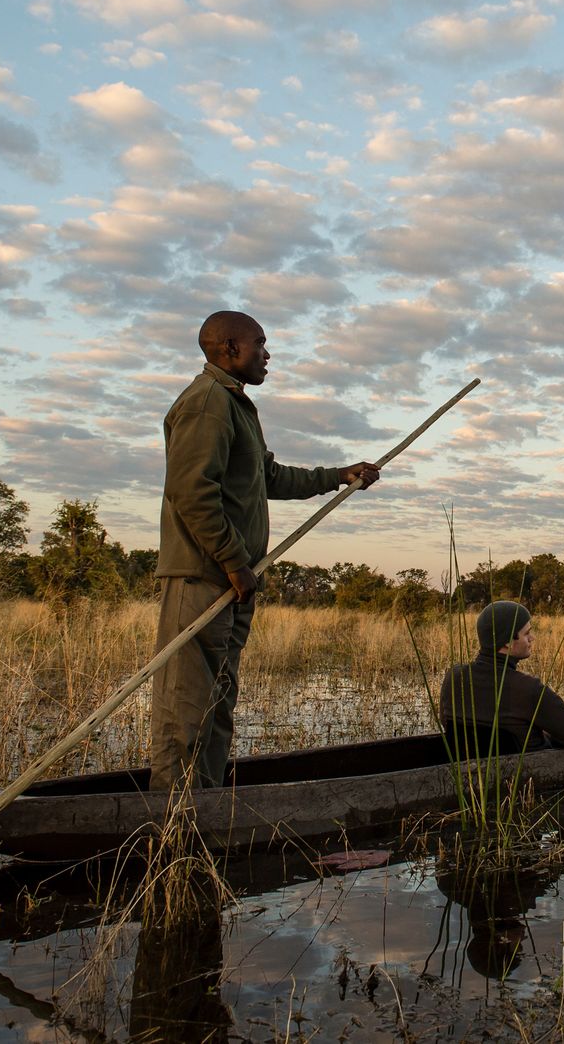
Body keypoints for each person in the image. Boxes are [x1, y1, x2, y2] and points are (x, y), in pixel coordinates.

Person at [151, 310, 380, 792]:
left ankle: (203, 810)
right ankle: (170, 825)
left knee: (216, 705)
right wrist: (234, 562)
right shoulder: (207, 402)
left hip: (231, 583)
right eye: (260, 344)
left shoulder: (236, 406)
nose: (267, 354)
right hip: (202, 578)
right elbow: (191, 492)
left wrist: (339, 476)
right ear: (230, 347)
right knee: (186, 709)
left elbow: (269, 477)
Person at [439, 601, 564, 756]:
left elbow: (446, 722)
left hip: (468, 770)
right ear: (508, 641)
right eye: (526, 633)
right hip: (526, 775)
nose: (532, 638)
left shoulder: (453, 676)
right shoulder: (529, 689)